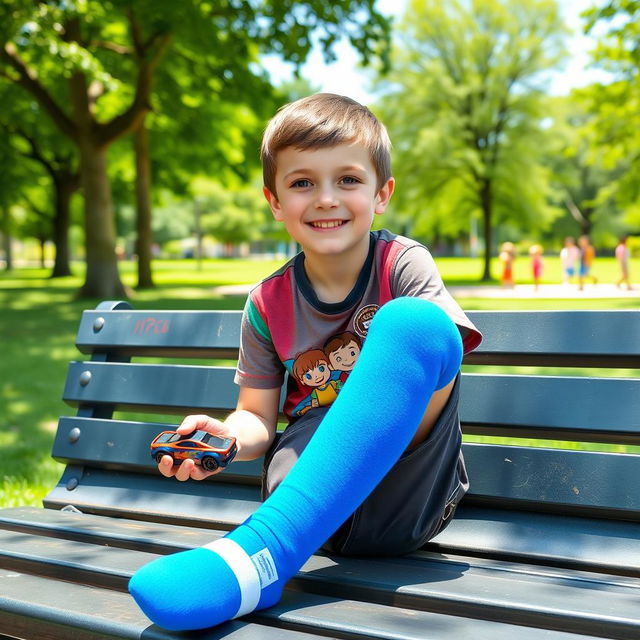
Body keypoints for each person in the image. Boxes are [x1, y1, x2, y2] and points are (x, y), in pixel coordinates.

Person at [129, 93, 482, 631]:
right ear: (274, 200)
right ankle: (268, 552)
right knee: (319, 417)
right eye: (301, 183)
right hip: (314, 509)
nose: (325, 199)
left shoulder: (402, 264)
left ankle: (262, 556)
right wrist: (225, 438)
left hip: (406, 497)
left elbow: (441, 354)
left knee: (417, 325)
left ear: (381, 193)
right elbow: (256, 419)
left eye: (347, 180)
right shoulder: (267, 302)